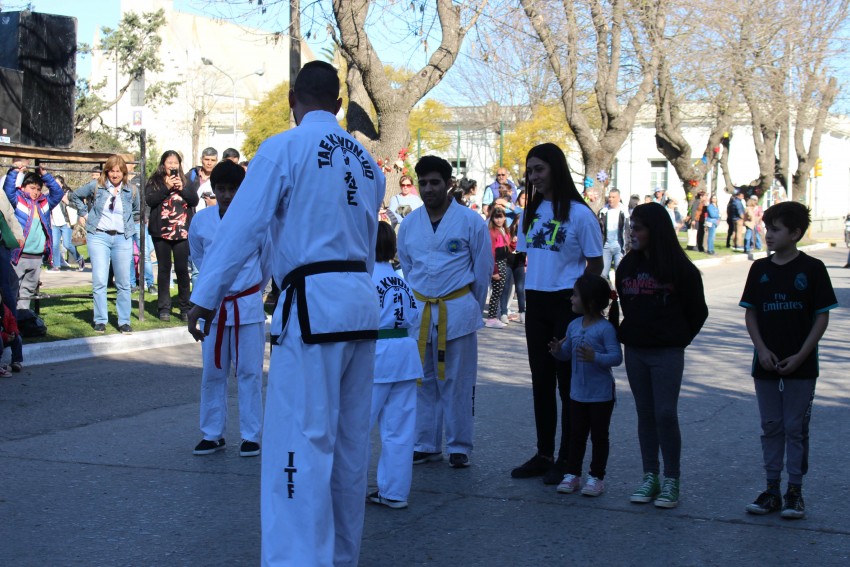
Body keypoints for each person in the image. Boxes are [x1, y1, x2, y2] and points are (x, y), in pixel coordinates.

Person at [187, 60, 385, 566]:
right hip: (360, 306)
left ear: (293, 99)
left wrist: (205, 293)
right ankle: (341, 557)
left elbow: (243, 227)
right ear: (339, 105)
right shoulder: (369, 166)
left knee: (300, 441)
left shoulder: (284, 148)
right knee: (347, 446)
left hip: (313, 307)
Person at [510, 143, 603, 485]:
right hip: (536, 301)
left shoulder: (580, 213)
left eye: (540, 169)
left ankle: (568, 457)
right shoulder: (529, 213)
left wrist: (584, 305)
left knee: (567, 384)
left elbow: (596, 263)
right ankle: (544, 452)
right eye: (530, 170)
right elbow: (524, 256)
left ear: (556, 169)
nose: (534, 176)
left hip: (567, 302)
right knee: (541, 381)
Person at [739, 201, 837, 519]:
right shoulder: (760, 269)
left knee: (795, 428)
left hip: (801, 365)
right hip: (765, 363)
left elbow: (820, 319)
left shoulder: (812, 269)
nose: (768, 234)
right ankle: (771, 490)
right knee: (771, 426)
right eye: (767, 228)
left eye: (776, 229)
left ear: (795, 233)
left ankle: (794, 491)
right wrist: (762, 349)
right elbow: (751, 314)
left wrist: (801, 355)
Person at [397, 155, 492, 469]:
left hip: (458, 308)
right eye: (422, 183)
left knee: (458, 381)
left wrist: (469, 306)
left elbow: (482, 269)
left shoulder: (470, 222)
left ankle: (459, 445)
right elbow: (408, 269)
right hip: (422, 308)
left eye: (434, 182)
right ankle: (425, 443)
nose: (428, 189)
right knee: (422, 380)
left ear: (449, 184)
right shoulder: (409, 224)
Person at [615, 202, 708, 508]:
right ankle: (650, 476)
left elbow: (697, 311)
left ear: (655, 231)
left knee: (665, 413)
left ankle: (671, 479)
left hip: (667, 352)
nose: (632, 233)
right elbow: (626, 307)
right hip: (636, 351)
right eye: (631, 227)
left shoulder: (681, 269)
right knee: (645, 412)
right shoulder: (627, 266)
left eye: (638, 228)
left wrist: (677, 338)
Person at [188, 160, 269, 459]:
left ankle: (251, 435)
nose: (226, 195)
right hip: (214, 306)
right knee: (213, 372)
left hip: (246, 303)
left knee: (248, 372)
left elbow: (267, 262)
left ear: (242, 190)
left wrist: (252, 292)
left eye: (232, 189)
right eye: (220, 189)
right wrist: (212, 290)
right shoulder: (202, 221)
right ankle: (212, 433)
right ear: (213, 189)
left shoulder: (256, 220)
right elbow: (199, 258)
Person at [548, 274, 622, 496]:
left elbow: (616, 358)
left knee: (599, 437)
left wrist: (595, 357)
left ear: (589, 302)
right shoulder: (573, 326)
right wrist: (557, 351)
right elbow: (567, 354)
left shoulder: (605, 329)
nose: (571, 299)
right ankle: (572, 474)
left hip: (600, 395)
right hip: (577, 393)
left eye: (575, 295)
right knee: (576, 435)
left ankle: (596, 477)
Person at [367, 221, 423, 510]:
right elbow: (414, 318)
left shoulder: (365, 278)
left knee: (357, 428)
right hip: (404, 354)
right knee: (399, 430)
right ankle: (395, 492)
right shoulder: (401, 280)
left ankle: (346, 490)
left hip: (376, 355)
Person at [69, 155, 140, 334]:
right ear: (106, 171)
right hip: (99, 236)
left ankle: (124, 321)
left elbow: (137, 210)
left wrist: (129, 224)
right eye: (111, 170)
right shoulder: (97, 186)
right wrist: (84, 212)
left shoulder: (131, 190)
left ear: (124, 172)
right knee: (100, 280)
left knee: (123, 282)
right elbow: (75, 195)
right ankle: (100, 319)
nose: (115, 174)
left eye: (118, 171)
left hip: (122, 237)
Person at [146, 151, 199, 322]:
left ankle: (185, 307)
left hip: (182, 231)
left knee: (183, 270)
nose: (172, 165)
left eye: (175, 162)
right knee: (163, 269)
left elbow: (194, 200)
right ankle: (164, 308)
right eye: (169, 162)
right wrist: (166, 187)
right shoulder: (155, 180)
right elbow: (150, 200)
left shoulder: (185, 181)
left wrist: (181, 188)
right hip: (161, 232)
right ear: (163, 164)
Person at [3, 164, 63, 313]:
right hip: (19, 255)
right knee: (12, 289)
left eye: (38, 189)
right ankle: (11, 320)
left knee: (28, 290)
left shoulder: (44, 203)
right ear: (23, 188)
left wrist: (45, 175)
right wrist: (15, 172)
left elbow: (58, 193)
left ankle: (23, 317)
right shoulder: (18, 200)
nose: (35, 192)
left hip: (36, 256)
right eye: (32, 188)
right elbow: (8, 190)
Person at [0, 161, 25, 318]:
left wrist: (18, 234)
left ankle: (12, 327)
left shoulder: (0, 194)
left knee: (6, 286)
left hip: (1, 246)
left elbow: (10, 215)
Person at [49, 175, 85, 271]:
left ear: (62, 184)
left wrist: (67, 201)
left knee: (67, 244)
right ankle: (56, 266)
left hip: (66, 223)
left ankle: (79, 258)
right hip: (54, 223)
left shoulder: (68, 194)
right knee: (55, 245)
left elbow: (77, 205)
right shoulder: (50, 194)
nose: (55, 185)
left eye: (57, 183)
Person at [501, 190, 527, 324]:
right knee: (506, 287)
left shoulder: (525, 232)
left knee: (520, 288)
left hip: (520, 262)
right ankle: (503, 312)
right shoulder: (508, 231)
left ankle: (522, 312)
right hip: (508, 261)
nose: (519, 224)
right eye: (518, 221)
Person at [485, 206, 510, 329]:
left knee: (499, 291)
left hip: (504, 262)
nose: (499, 220)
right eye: (496, 217)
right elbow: (491, 251)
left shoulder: (505, 230)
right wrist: (494, 270)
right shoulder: (492, 232)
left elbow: (509, 246)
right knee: (496, 292)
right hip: (497, 264)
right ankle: (491, 318)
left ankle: (494, 315)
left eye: (501, 217)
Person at [598, 188, 629, 282]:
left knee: (620, 273)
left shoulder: (625, 212)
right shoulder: (603, 212)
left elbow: (628, 231)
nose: (610, 199)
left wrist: (627, 248)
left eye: (613, 197)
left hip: (619, 247)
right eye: (609, 197)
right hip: (605, 246)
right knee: (602, 274)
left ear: (618, 198)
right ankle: (605, 295)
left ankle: (619, 295)